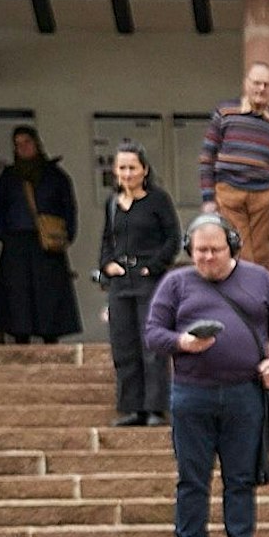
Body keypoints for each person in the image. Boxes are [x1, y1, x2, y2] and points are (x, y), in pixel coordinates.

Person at [143, 214, 269, 537]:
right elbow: (152, 333)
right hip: (191, 393)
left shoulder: (259, 279)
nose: (207, 258)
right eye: (199, 251)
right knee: (192, 477)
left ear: (232, 247)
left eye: (215, 250)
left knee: (241, 477)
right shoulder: (176, 283)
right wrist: (182, 342)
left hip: (245, 392)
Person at [100, 140, 179, 426]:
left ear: (144, 170)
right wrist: (107, 265)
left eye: (133, 167)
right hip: (121, 281)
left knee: (152, 343)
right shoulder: (112, 204)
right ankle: (132, 407)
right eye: (122, 167)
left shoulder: (158, 200)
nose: (128, 173)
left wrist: (152, 267)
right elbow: (107, 239)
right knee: (124, 344)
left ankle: (155, 408)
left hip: (149, 280)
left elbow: (172, 239)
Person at [0, 125, 81, 345]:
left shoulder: (55, 176)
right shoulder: (8, 177)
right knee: (18, 300)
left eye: (27, 143)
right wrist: (4, 236)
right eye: (18, 145)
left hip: (47, 246)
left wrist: (65, 236)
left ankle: (51, 340)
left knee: (48, 297)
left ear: (36, 143)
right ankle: (21, 340)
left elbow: (69, 208)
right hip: (17, 245)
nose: (23, 148)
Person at [198, 61, 269, 273]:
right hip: (229, 192)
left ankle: (252, 302)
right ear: (246, 84)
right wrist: (208, 198)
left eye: (267, 85)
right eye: (256, 83)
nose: (261, 89)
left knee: (260, 254)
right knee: (241, 251)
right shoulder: (225, 112)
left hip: (263, 196)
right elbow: (207, 157)